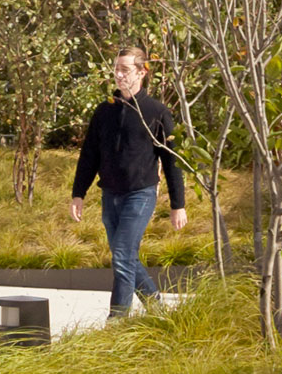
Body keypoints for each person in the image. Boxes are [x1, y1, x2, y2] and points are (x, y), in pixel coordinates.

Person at [68, 48, 190, 316]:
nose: (119, 74)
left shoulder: (157, 111)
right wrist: (78, 193)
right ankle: (155, 304)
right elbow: (89, 155)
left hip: (140, 194)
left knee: (122, 257)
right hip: (109, 194)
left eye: (125, 69)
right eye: (116, 69)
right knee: (125, 259)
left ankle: (117, 320)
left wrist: (177, 204)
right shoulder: (104, 112)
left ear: (142, 72)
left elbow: (172, 161)